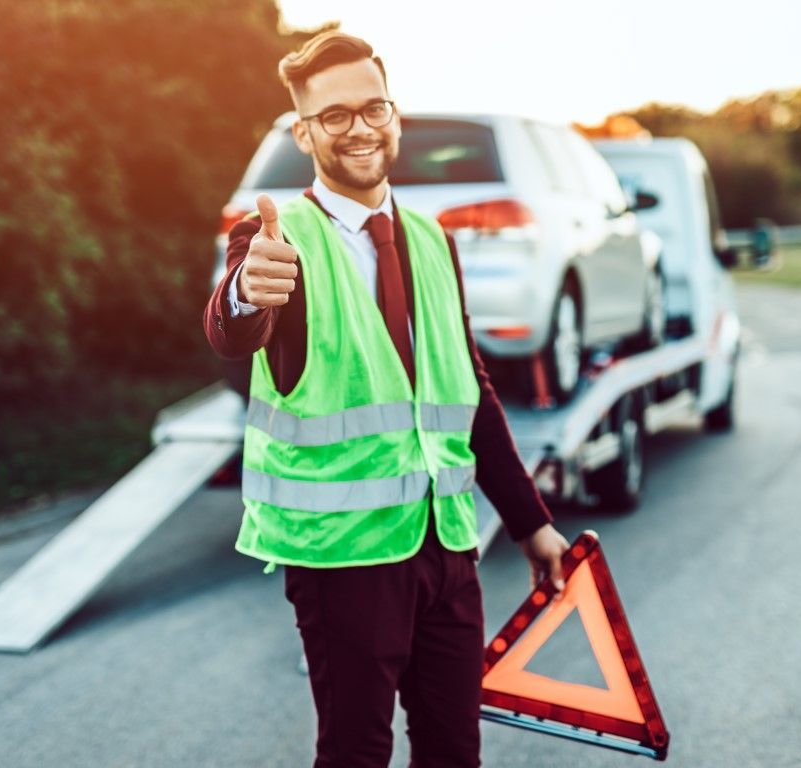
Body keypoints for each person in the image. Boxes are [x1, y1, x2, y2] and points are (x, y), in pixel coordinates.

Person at [203, 30, 569, 768]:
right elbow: (232, 326)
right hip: (344, 559)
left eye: (373, 108)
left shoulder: (433, 242)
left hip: (445, 545)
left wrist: (531, 524)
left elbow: (468, 389)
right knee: (354, 755)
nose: (360, 127)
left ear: (395, 117)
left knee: (453, 754)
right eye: (334, 116)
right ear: (305, 133)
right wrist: (245, 292)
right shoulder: (278, 238)